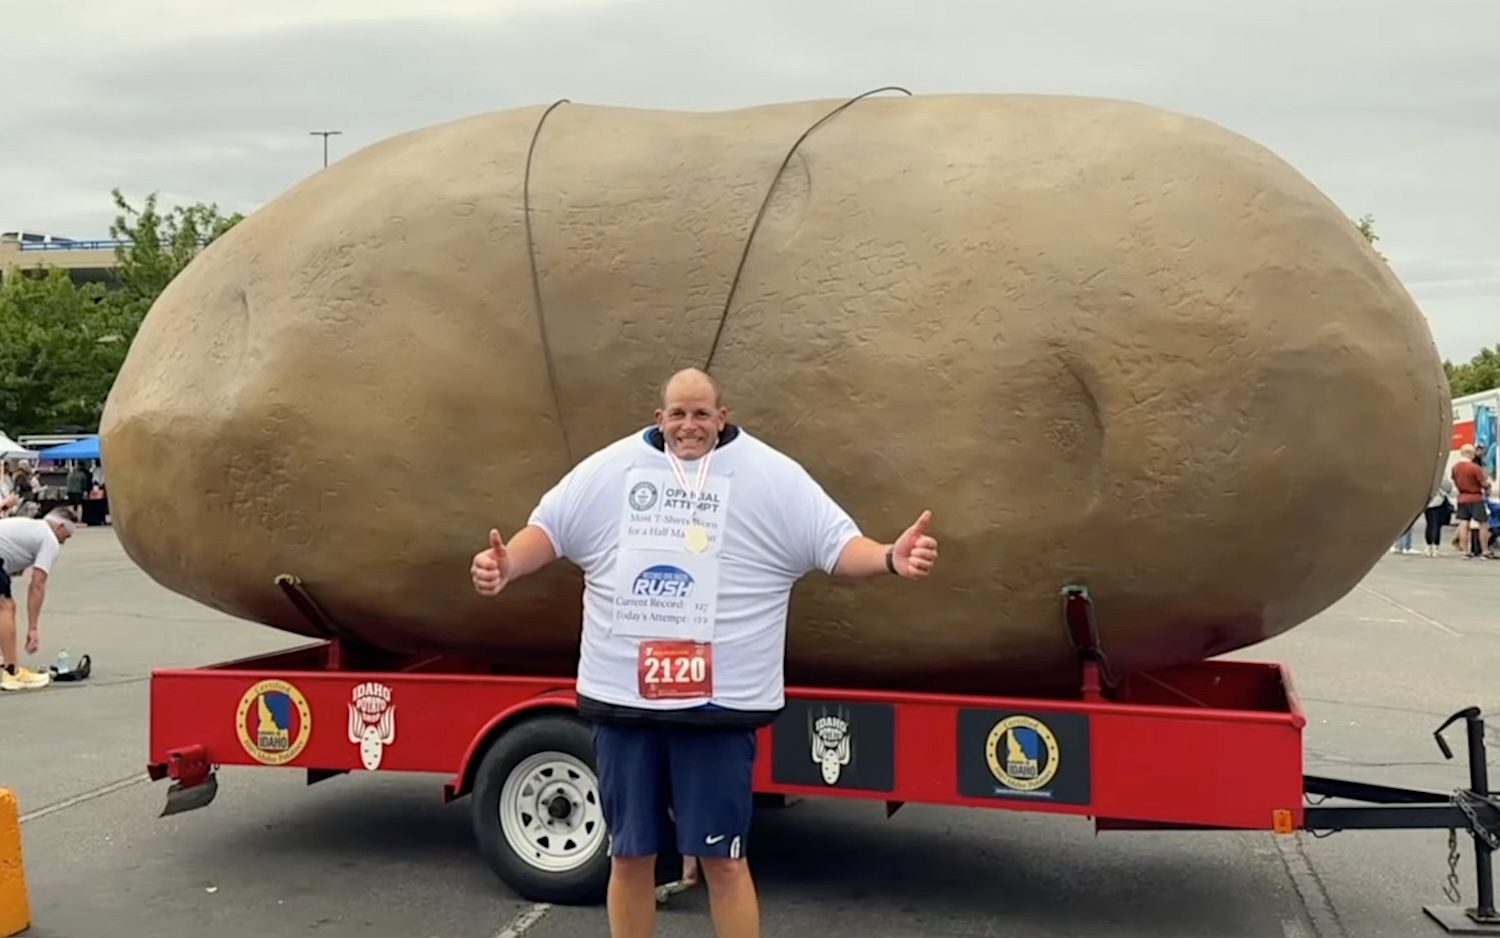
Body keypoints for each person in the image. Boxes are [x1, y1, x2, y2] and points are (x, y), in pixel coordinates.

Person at [471, 368, 939, 938]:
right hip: (625, 703)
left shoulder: (772, 476)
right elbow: (549, 530)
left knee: (723, 860)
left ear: (722, 417)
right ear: (659, 418)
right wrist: (508, 566)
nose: (688, 426)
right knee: (628, 855)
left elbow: (836, 546)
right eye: (677, 414)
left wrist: (890, 556)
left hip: (718, 708)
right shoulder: (610, 470)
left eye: (700, 414)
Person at [0, 507, 78, 691]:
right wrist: (33, 628)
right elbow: (38, 584)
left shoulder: (31, 527)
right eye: (66, 537)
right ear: (60, 527)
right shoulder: (49, 539)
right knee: (6, 607)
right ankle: (12, 673)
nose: (64, 542)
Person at [1452, 445, 1491, 559]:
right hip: (1475, 498)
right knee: (1483, 524)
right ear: (1470, 454)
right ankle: (1484, 550)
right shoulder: (1474, 468)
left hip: (1462, 497)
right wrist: (1488, 487)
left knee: (1464, 523)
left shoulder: (1455, 467)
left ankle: (1464, 551)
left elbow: (1454, 480)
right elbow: (1484, 483)